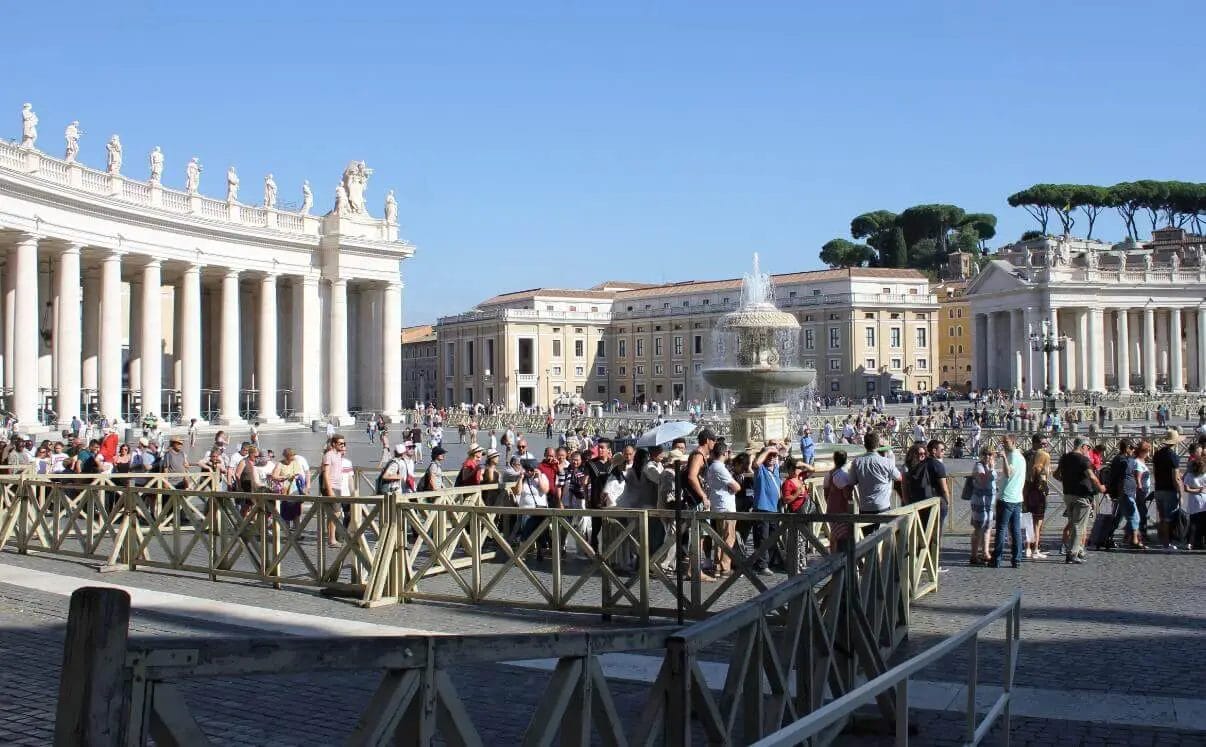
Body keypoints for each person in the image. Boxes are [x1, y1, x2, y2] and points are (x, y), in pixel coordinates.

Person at [1054, 437, 1105, 564]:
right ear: (1083, 446)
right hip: (1082, 495)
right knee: (1078, 525)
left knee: (1076, 523)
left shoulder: (1065, 457)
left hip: (1068, 494)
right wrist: (1101, 487)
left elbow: (1055, 474)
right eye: (1088, 448)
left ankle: (1080, 550)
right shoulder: (1083, 459)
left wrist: (1066, 481)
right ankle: (1072, 553)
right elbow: (1092, 477)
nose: (1088, 451)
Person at [704, 442, 739, 577]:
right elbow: (736, 487)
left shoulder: (712, 467)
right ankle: (725, 567)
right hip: (726, 507)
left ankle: (718, 566)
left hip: (718, 505)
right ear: (725, 453)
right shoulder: (720, 468)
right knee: (728, 538)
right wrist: (734, 487)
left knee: (720, 538)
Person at [991, 435, 1025, 568]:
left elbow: (1008, 473)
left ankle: (997, 559)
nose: (1004, 444)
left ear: (1014, 442)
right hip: (1017, 498)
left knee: (1001, 529)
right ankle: (1017, 559)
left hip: (1007, 498)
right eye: (1002, 442)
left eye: (1006, 442)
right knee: (1015, 530)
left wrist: (1004, 457)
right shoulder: (1020, 457)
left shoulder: (1013, 457)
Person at [849, 432, 901, 515]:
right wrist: (889, 453)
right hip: (882, 506)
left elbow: (852, 481)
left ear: (865, 445)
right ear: (878, 445)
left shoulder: (857, 462)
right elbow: (899, 477)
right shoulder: (887, 462)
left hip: (865, 507)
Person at [750, 445, 782, 576]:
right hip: (762, 507)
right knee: (762, 538)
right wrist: (768, 450)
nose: (772, 458)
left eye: (774, 456)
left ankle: (773, 561)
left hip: (774, 508)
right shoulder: (761, 469)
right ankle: (762, 565)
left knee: (773, 537)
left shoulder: (776, 470)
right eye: (769, 456)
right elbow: (755, 463)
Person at [510, 458, 551, 560]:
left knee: (540, 532)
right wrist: (520, 478)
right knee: (526, 532)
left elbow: (545, 490)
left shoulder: (542, 477)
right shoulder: (523, 479)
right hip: (526, 510)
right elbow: (518, 492)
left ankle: (540, 552)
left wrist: (539, 477)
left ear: (535, 469)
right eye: (527, 469)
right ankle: (522, 554)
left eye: (531, 470)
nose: (529, 472)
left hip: (540, 510)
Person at [1151, 428, 1184, 549]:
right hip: (1169, 490)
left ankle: (1162, 540)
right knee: (1168, 518)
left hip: (1158, 488)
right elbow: (1175, 478)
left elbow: (1155, 472)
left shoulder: (1157, 454)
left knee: (1162, 516)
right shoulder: (1173, 456)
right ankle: (1166, 543)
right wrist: (1180, 493)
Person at [1022, 435, 1051, 559]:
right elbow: (1041, 473)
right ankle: (1035, 549)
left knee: (1027, 520)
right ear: (1034, 443)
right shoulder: (1043, 455)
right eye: (1043, 443)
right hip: (1037, 489)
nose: (1045, 446)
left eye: (1046, 444)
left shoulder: (1025, 454)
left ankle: (1028, 548)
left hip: (1025, 489)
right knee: (1037, 521)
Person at [1120, 440, 1152, 549]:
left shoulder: (1135, 460)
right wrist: (1140, 489)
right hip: (1135, 492)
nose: (1149, 454)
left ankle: (1129, 537)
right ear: (1144, 451)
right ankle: (1135, 539)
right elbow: (1137, 477)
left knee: (1133, 515)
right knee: (1137, 515)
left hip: (1133, 491)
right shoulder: (1138, 462)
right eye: (1148, 452)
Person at [969, 447, 997, 565]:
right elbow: (983, 480)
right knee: (978, 527)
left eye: (990, 454)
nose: (987, 457)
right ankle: (974, 555)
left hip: (989, 502)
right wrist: (991, 469)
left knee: (988, 527)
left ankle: (985, 553)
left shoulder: (991, 465)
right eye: (985, 454)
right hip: (980, 501)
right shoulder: (979, 466)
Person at [1182, 457, 1206, 549]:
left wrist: (1195, 490)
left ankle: (1190, 543)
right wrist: (1200, 490)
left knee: (1193, 523)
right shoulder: (1204, 475)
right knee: (1203, 523)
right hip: (1204, 501)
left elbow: (1186, 489)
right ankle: (1200, 542)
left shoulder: (1189, 475)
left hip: (1193, 501)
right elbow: (1204, 489)